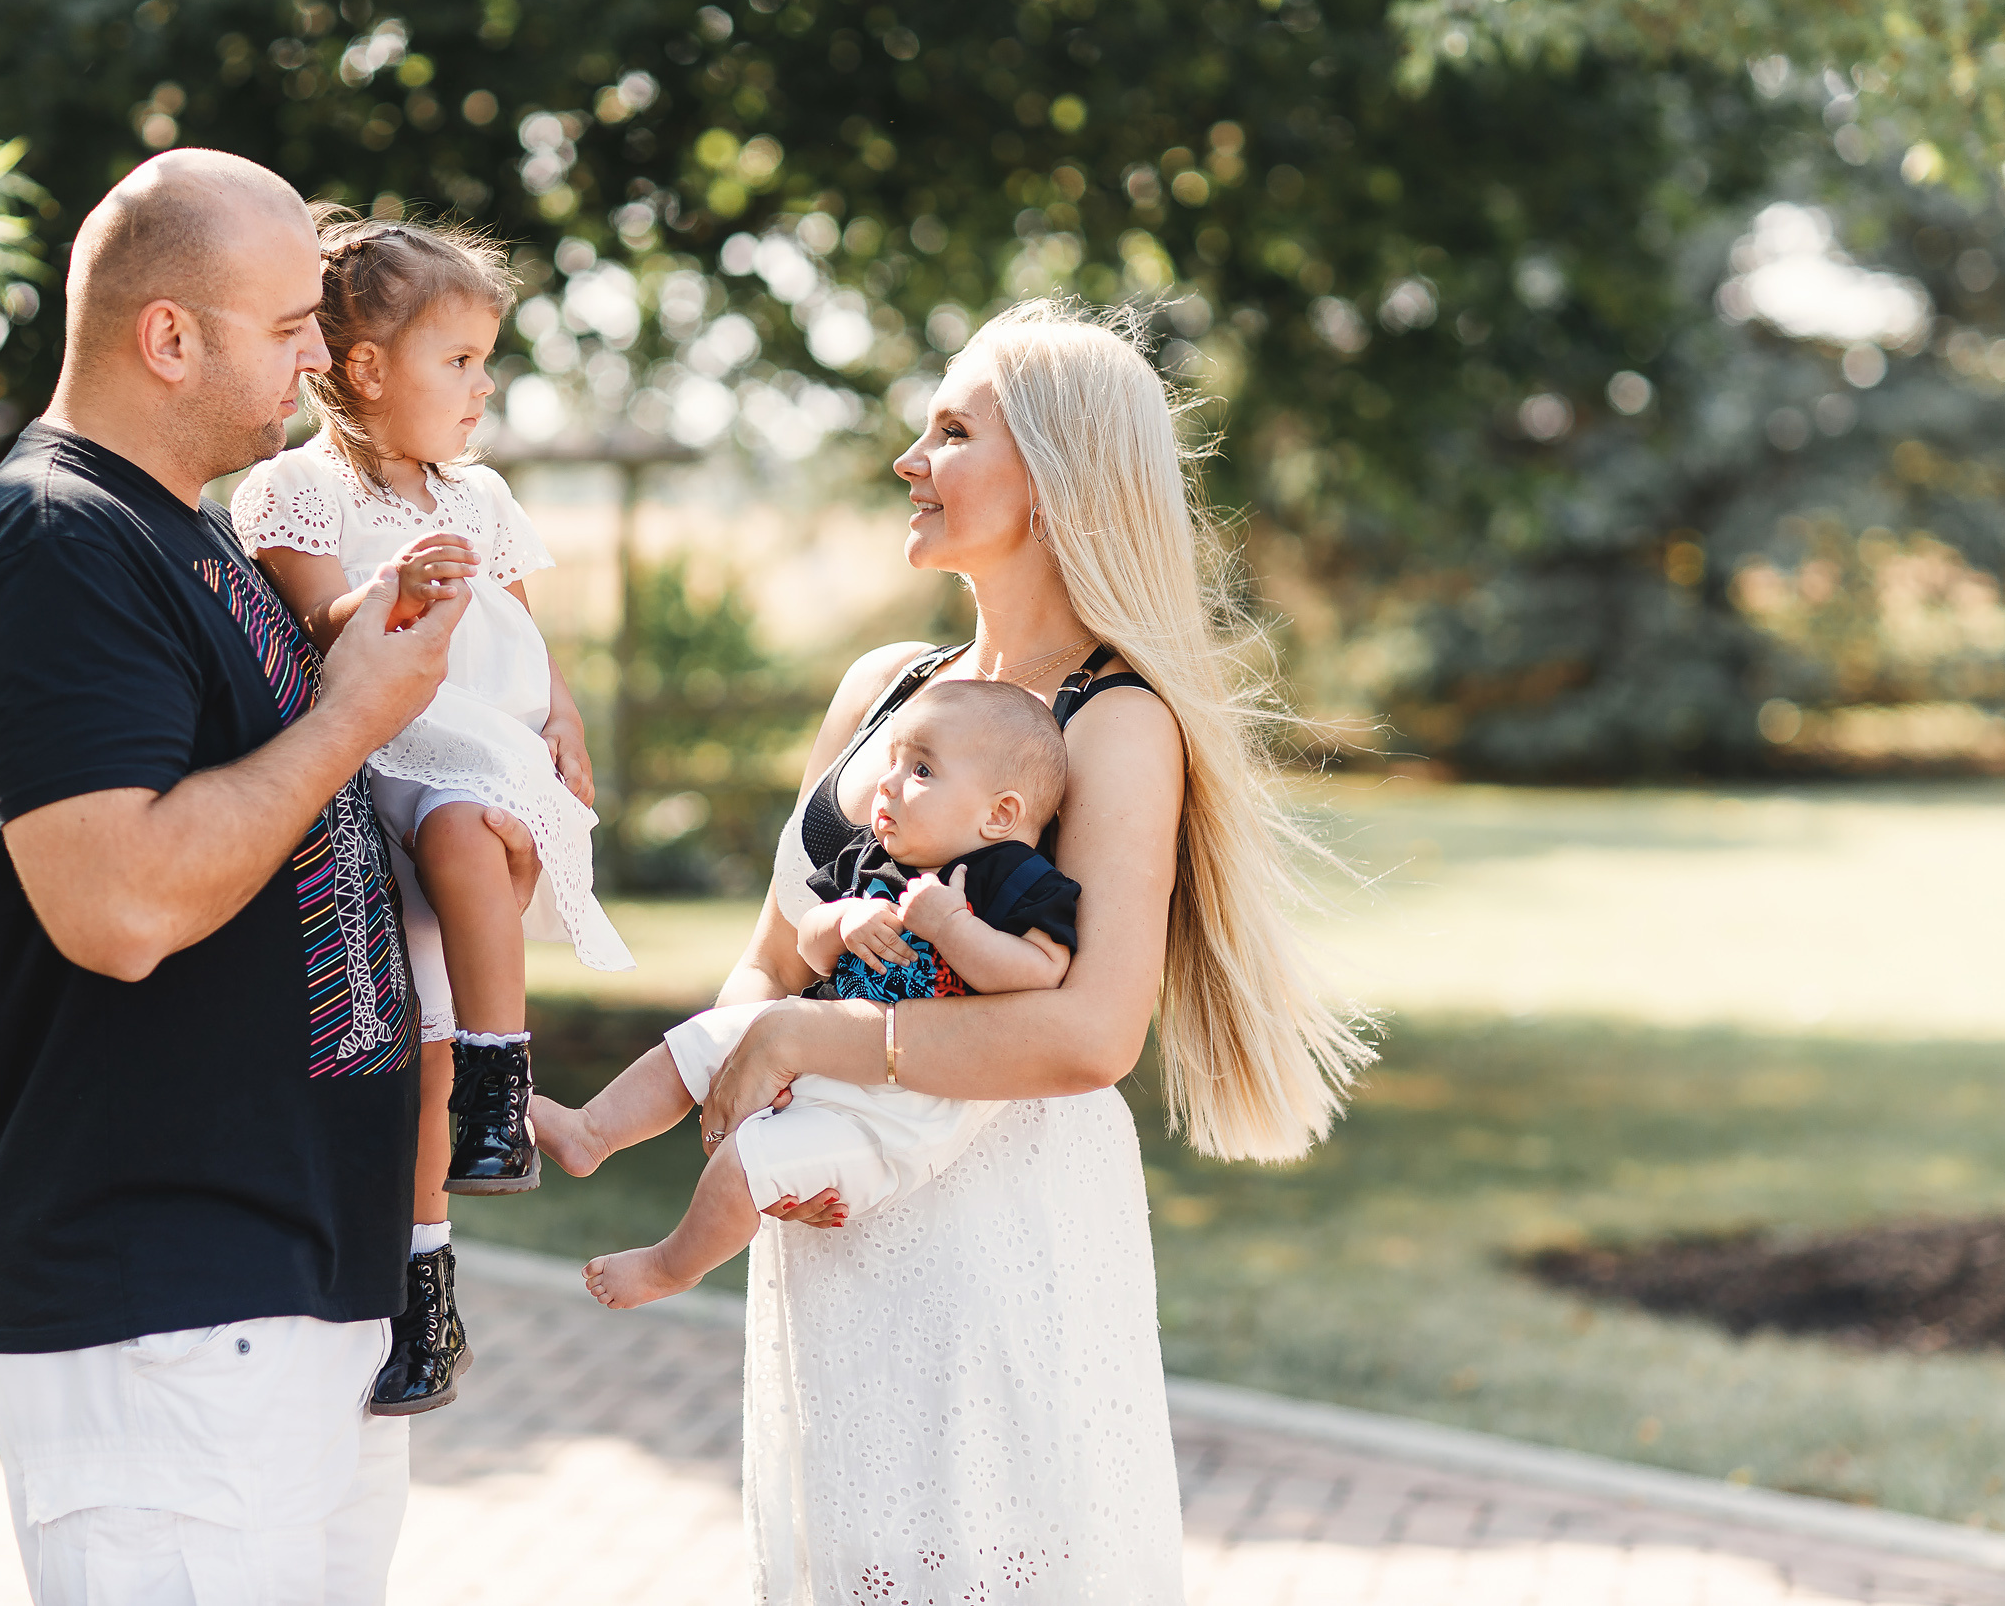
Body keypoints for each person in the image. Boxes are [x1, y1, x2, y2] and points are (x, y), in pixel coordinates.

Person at [694, 299, 1375, 1603]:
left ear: (1060, 481)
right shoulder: (881, 691)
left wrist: (807, 1042)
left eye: (951, 429)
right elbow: (771, 962)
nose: (910, 455)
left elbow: (1087, 1031)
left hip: (999, 1239)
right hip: (833, 1226)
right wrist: (748, 1087)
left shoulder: (1117, 725)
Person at [0, 149, 535, 1605]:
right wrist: (351, 717)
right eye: (287, 326)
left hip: (296, 1285)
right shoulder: (56, 544)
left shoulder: (187, 532)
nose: (324, 354)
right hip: (172, 1300)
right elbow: (121, 902)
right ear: (169, 337)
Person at [231, 208, 630, 1416]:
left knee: (455, 921)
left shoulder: (485, 495)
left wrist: (562, 718)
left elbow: (523, 631)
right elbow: (313, 625)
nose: (481, 386)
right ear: (364, 369)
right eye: (456, 362)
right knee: (407, 1064)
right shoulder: (295, 490)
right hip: (381, 757)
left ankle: (500, 1091)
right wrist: (386, 589)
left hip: (475, 757)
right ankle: (423, 1295)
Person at [532, 679, 1081, 1311]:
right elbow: (810, 952)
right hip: (820, 1051)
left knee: (751, 1163)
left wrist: (952, 927)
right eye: (894, 761)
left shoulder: (1013, 875)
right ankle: (592, 1130)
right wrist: (842, 921)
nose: (889, 782)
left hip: (902, 1107)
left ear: (1000, 815)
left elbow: (1042, 973)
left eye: (922, 769)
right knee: (705, 1037)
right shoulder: (873, 858)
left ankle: (669, 1266)